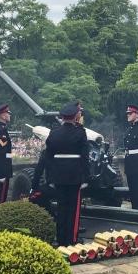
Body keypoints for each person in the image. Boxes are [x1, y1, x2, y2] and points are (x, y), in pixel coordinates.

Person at [31, 102, 89, 246]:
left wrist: (51, 177)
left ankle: (61, 239)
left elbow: (48, 157)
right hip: (75, 176)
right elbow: (85, 158)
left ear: (62, 117)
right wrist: (85, 178)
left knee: (62, 208)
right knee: (73, 210)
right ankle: (72, 239)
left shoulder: (54, 133)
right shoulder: (80, 132)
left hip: (59, 177)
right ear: (75, 116)